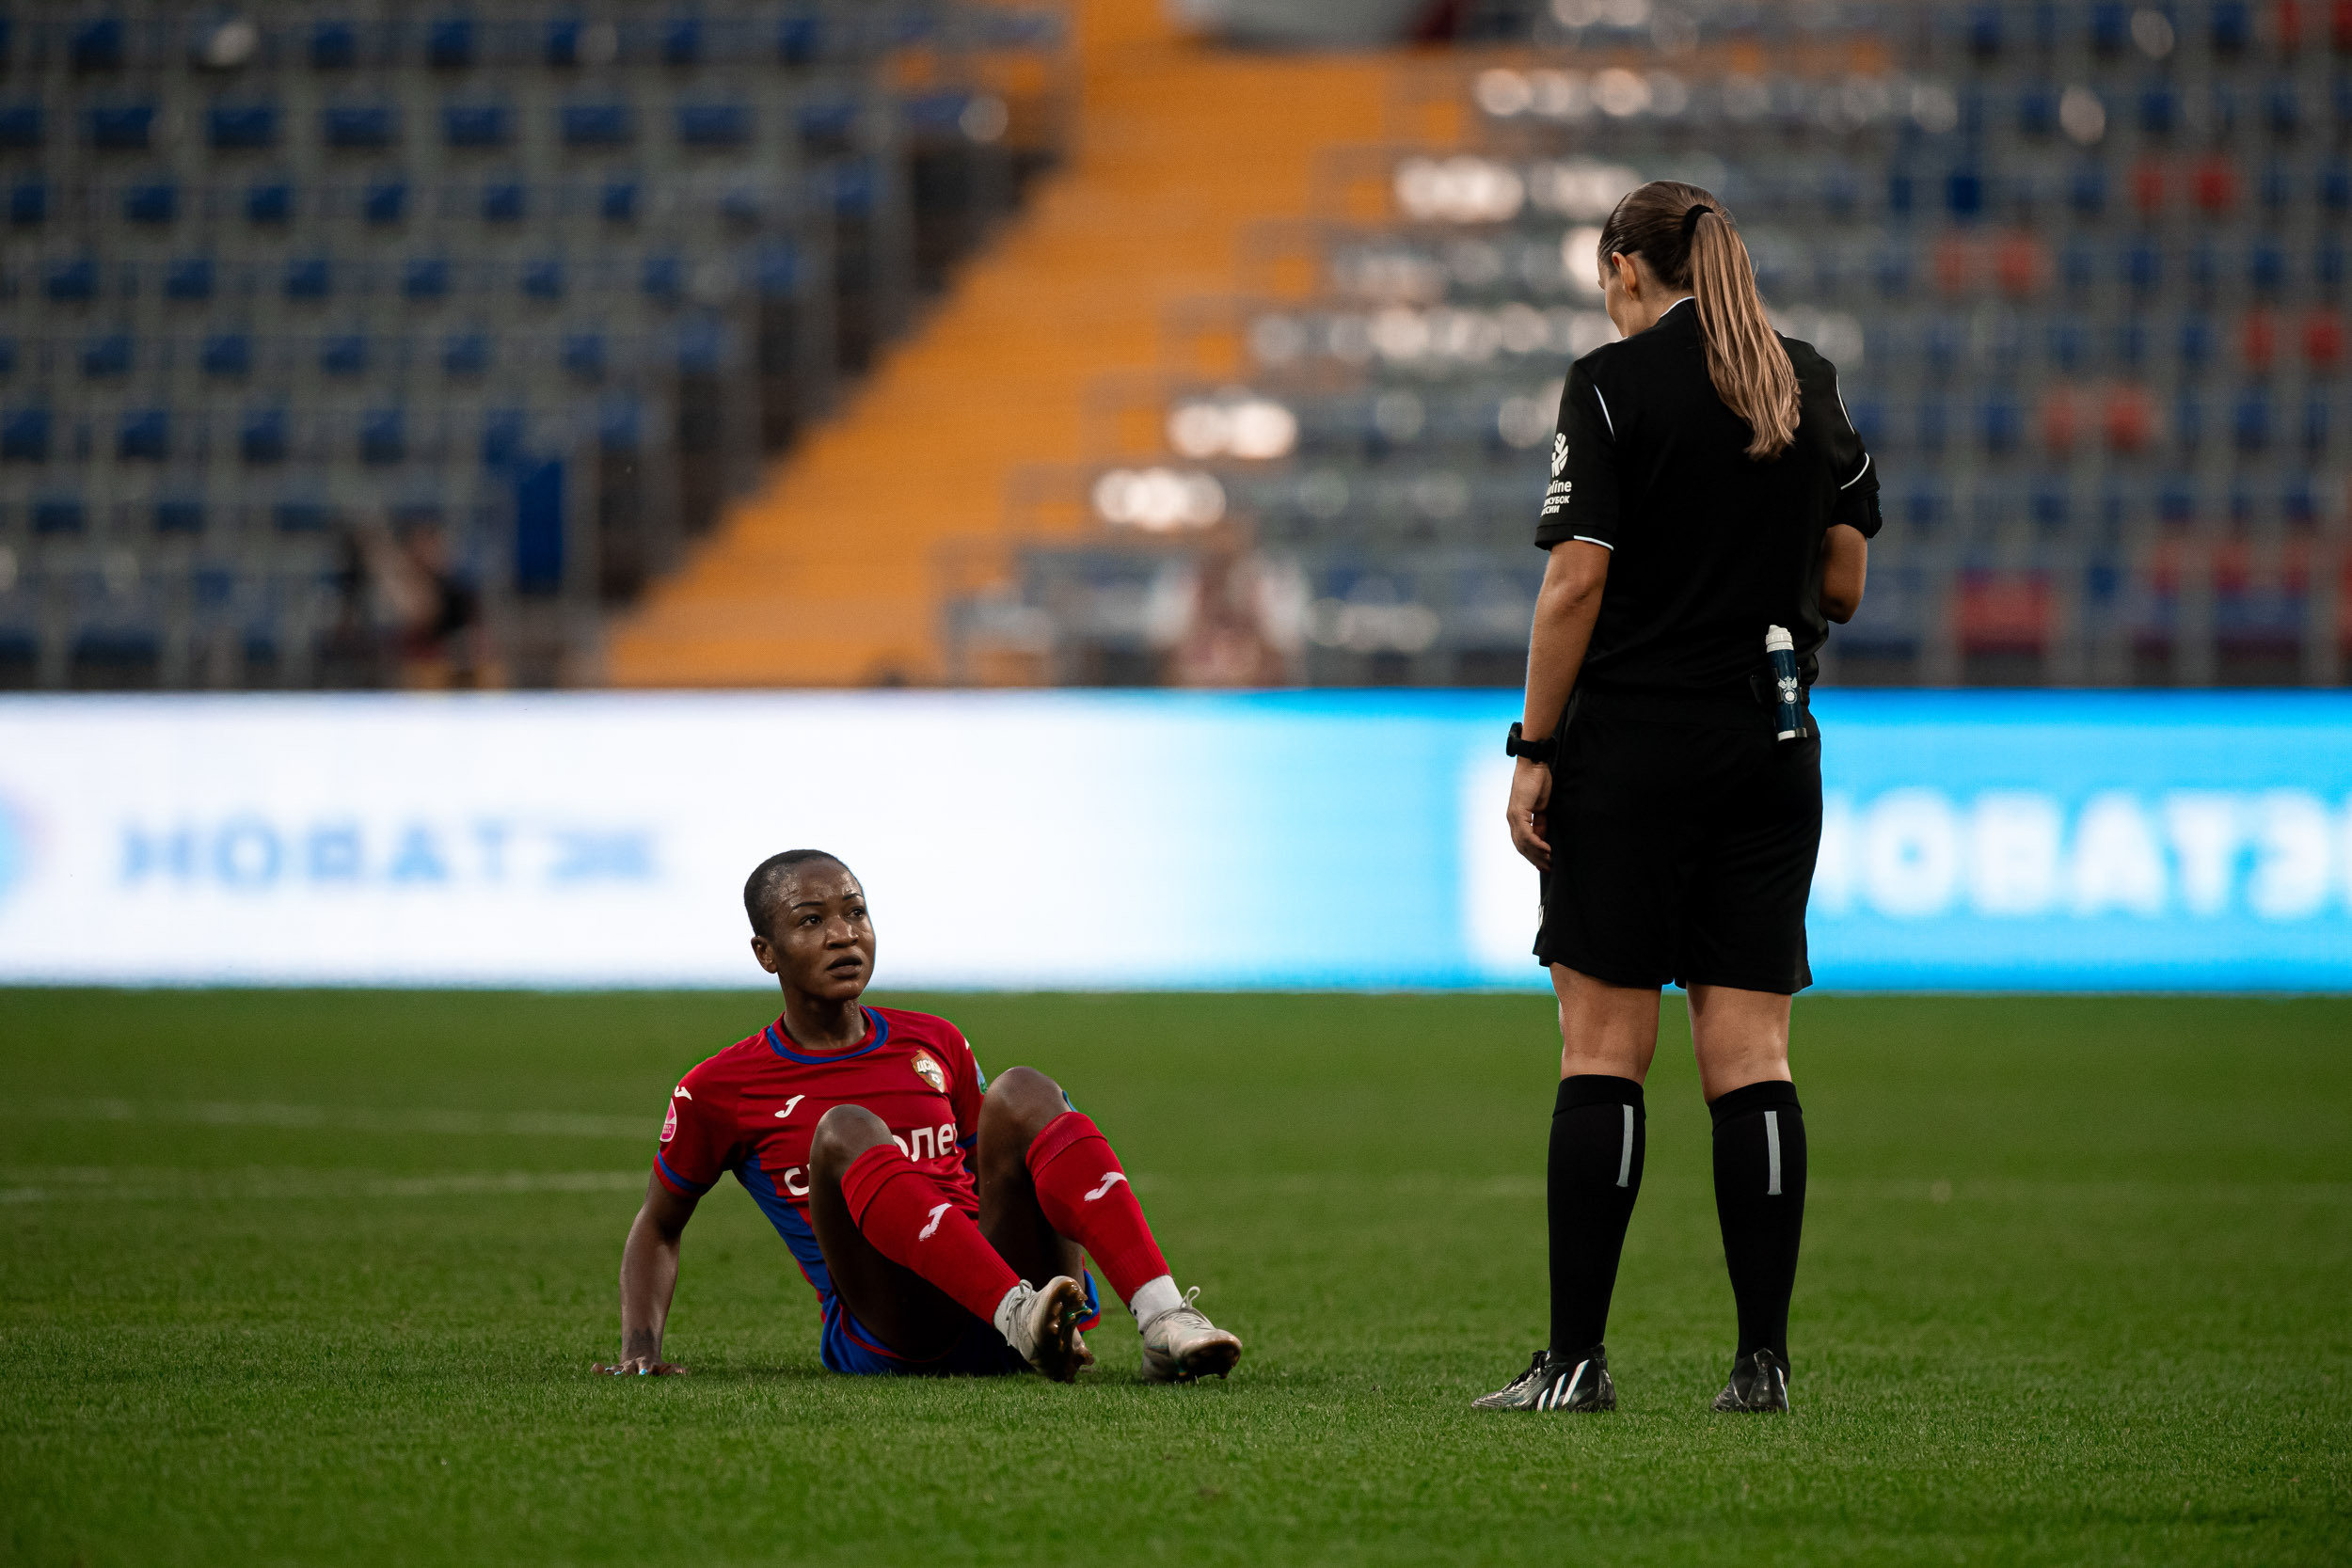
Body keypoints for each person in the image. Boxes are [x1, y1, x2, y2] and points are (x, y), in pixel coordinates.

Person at [1475, 182, 1879, 1415]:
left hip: (1635, 749)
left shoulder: (1608, 383)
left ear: (1621, 266)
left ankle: (1578, 1361)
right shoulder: (1800, 380)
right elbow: (1847, 577)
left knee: (1604, 1051)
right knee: (1753, 1058)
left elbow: (1574, 584)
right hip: (1771, 744)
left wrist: (1533, 743)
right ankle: (1762, 1364)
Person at [595, 848, 1244, 1384]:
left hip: (1013, 1299)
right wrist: (640, 1345)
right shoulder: (719, 1087)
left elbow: (999, 1179)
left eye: (856, 912)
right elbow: (658, 1224)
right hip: (893, 1326)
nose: (843, 934)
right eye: (812, 920)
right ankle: (1018, 1316)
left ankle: (1162, 1319)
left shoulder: (934, 1040)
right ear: (766, 953)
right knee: (846, 1130)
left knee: (1022, 1089)